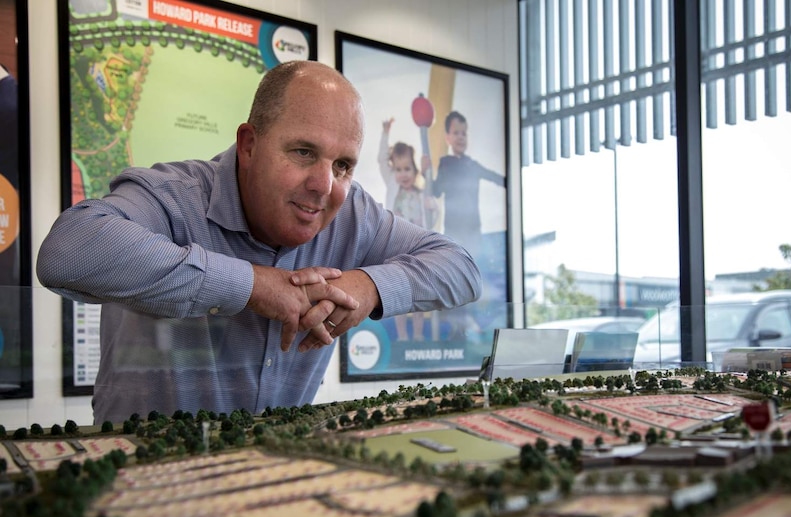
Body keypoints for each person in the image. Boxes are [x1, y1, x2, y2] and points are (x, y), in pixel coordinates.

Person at [37, 61, 482, 424]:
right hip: (141, 483)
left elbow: (461, 267)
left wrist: (367, 287)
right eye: (304, 152)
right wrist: (252, 287)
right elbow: (68, 250)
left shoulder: (354, 214)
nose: (324, 185)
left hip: (271, 485)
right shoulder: (173, 194)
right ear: (249, 145)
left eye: (343, 164)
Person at [432, 110, 504, 339]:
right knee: (455, 279)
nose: (461, 137)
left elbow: (496, 177)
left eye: (464, 133)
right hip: (454, 232)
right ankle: (457, 326)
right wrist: (426, 169)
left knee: (473, 280)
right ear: (448, 138)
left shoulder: (473, 165)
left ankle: (467, 325)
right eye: (456, 133)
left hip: (474, 232)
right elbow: (436, 190)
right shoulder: (445, 163)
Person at [377, 118, 438, 341]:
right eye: (399, 169)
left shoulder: (421, 195)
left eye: (408, 169)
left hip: (418, 249)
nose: (403, 174)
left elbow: (431, 220)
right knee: (399, 294)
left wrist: (435, 207)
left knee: (419, 294)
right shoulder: (393, 186)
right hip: (397, 248)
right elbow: (382, 162)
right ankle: (403, 336)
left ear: (415, 170)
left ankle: (419, 335)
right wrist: (385, 133)